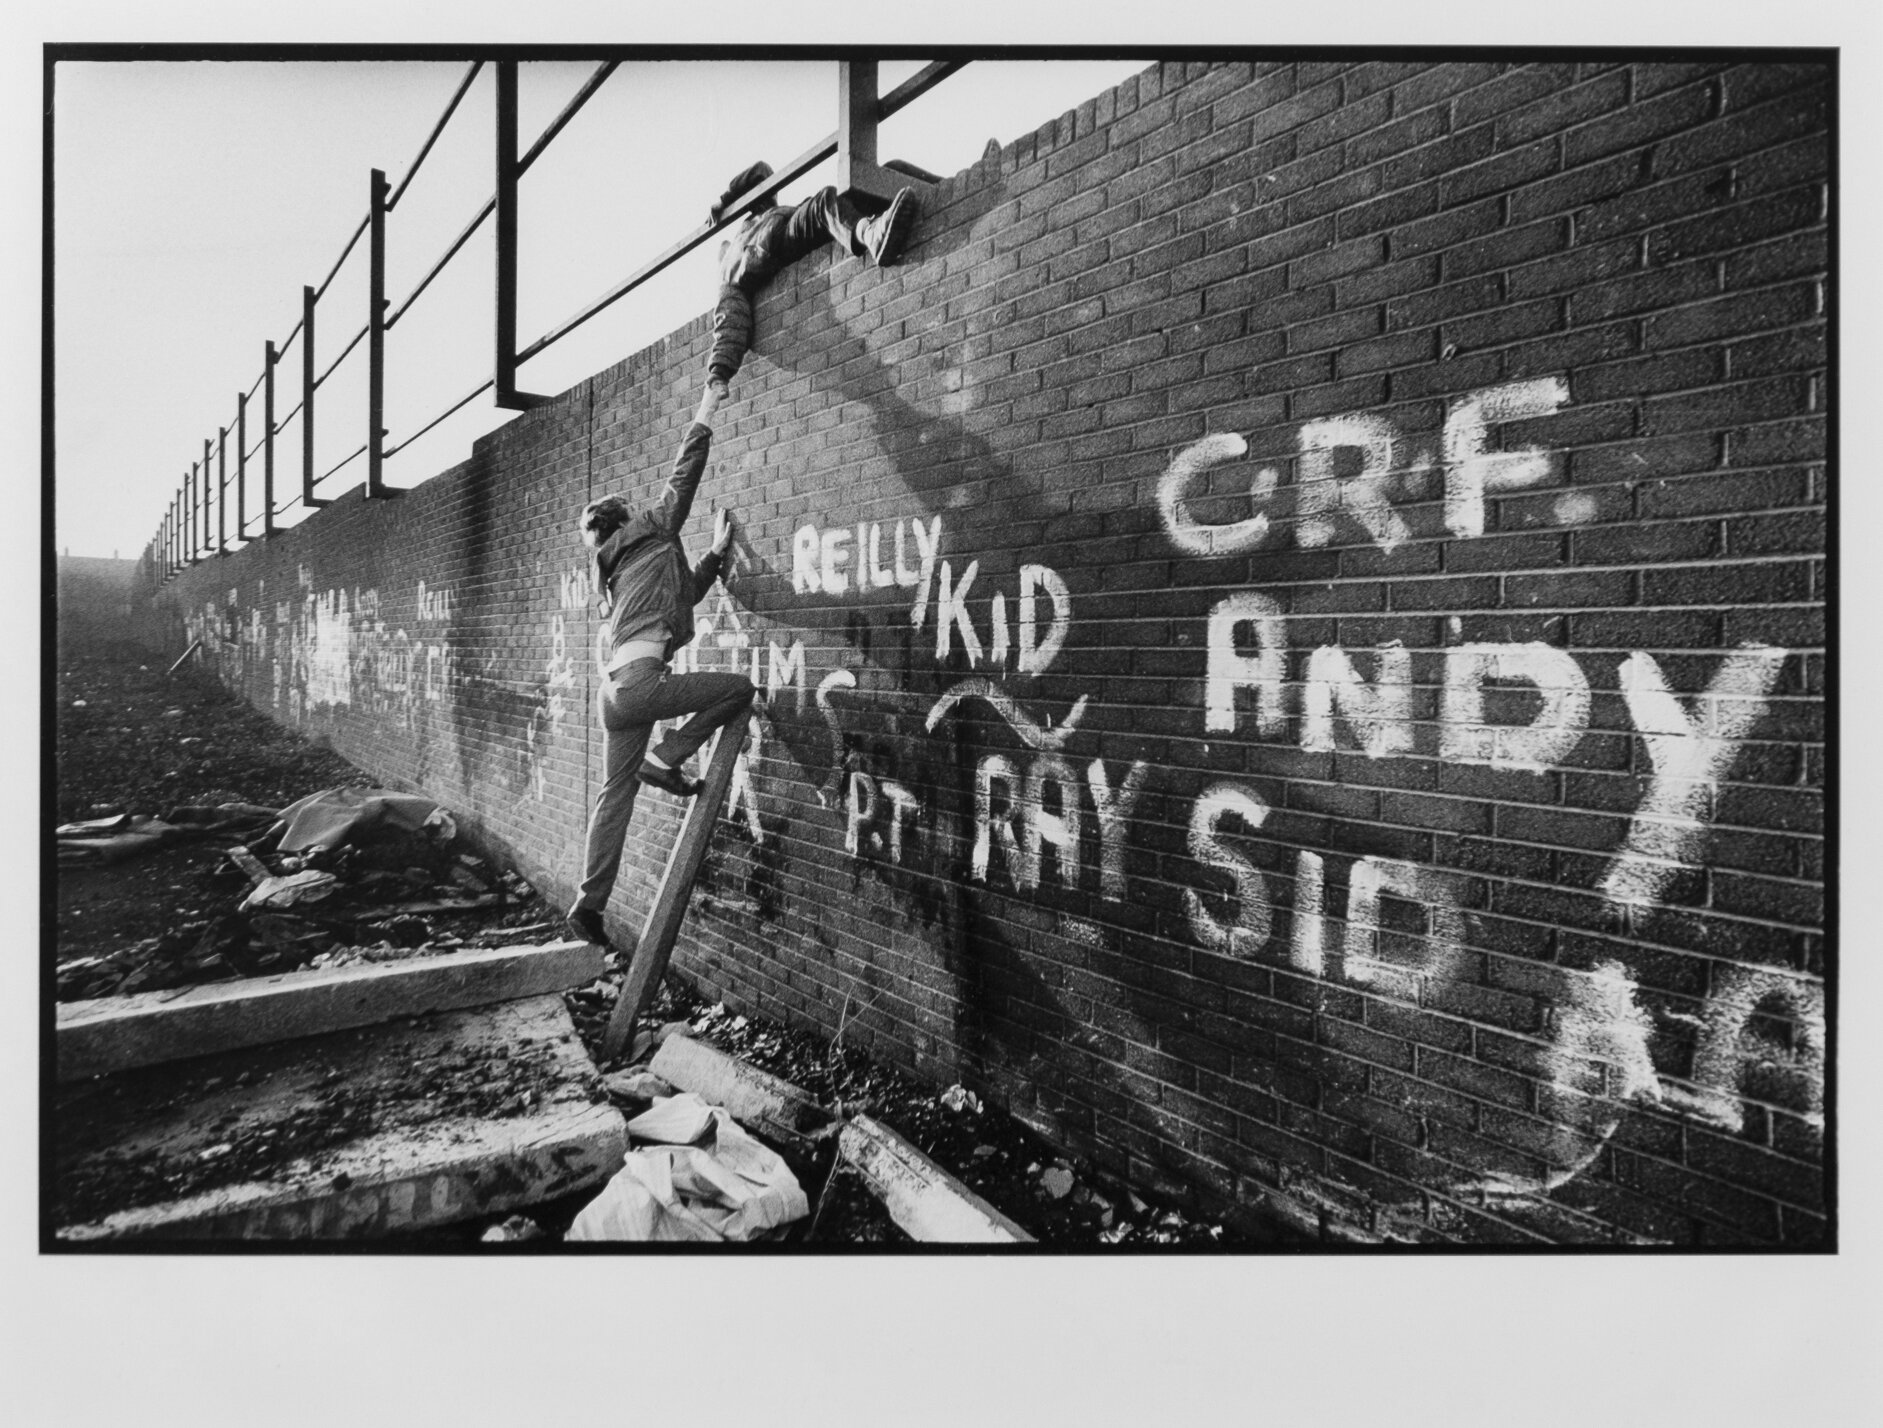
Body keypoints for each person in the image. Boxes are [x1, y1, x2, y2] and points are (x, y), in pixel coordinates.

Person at [567, 379, 754, 948]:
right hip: (643, 687)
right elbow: (686, 469)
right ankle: (667, 756)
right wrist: (710, 400)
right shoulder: (650, 529)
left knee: (612, 798)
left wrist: (716, 555)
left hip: (614, 693)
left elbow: (681, 597)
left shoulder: (620, 568)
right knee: (739, 688)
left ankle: (587, 907)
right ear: (626, 520)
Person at [707, 161, 918, 388]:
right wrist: (719, 374)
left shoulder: (757, 216)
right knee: (822, 205)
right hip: (780, 246)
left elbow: (761, 171)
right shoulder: (728, 274)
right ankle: (872, 235)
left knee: (871, 179)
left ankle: (923, 197)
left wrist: (723, 200)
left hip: (788, 221)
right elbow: (730, 324)